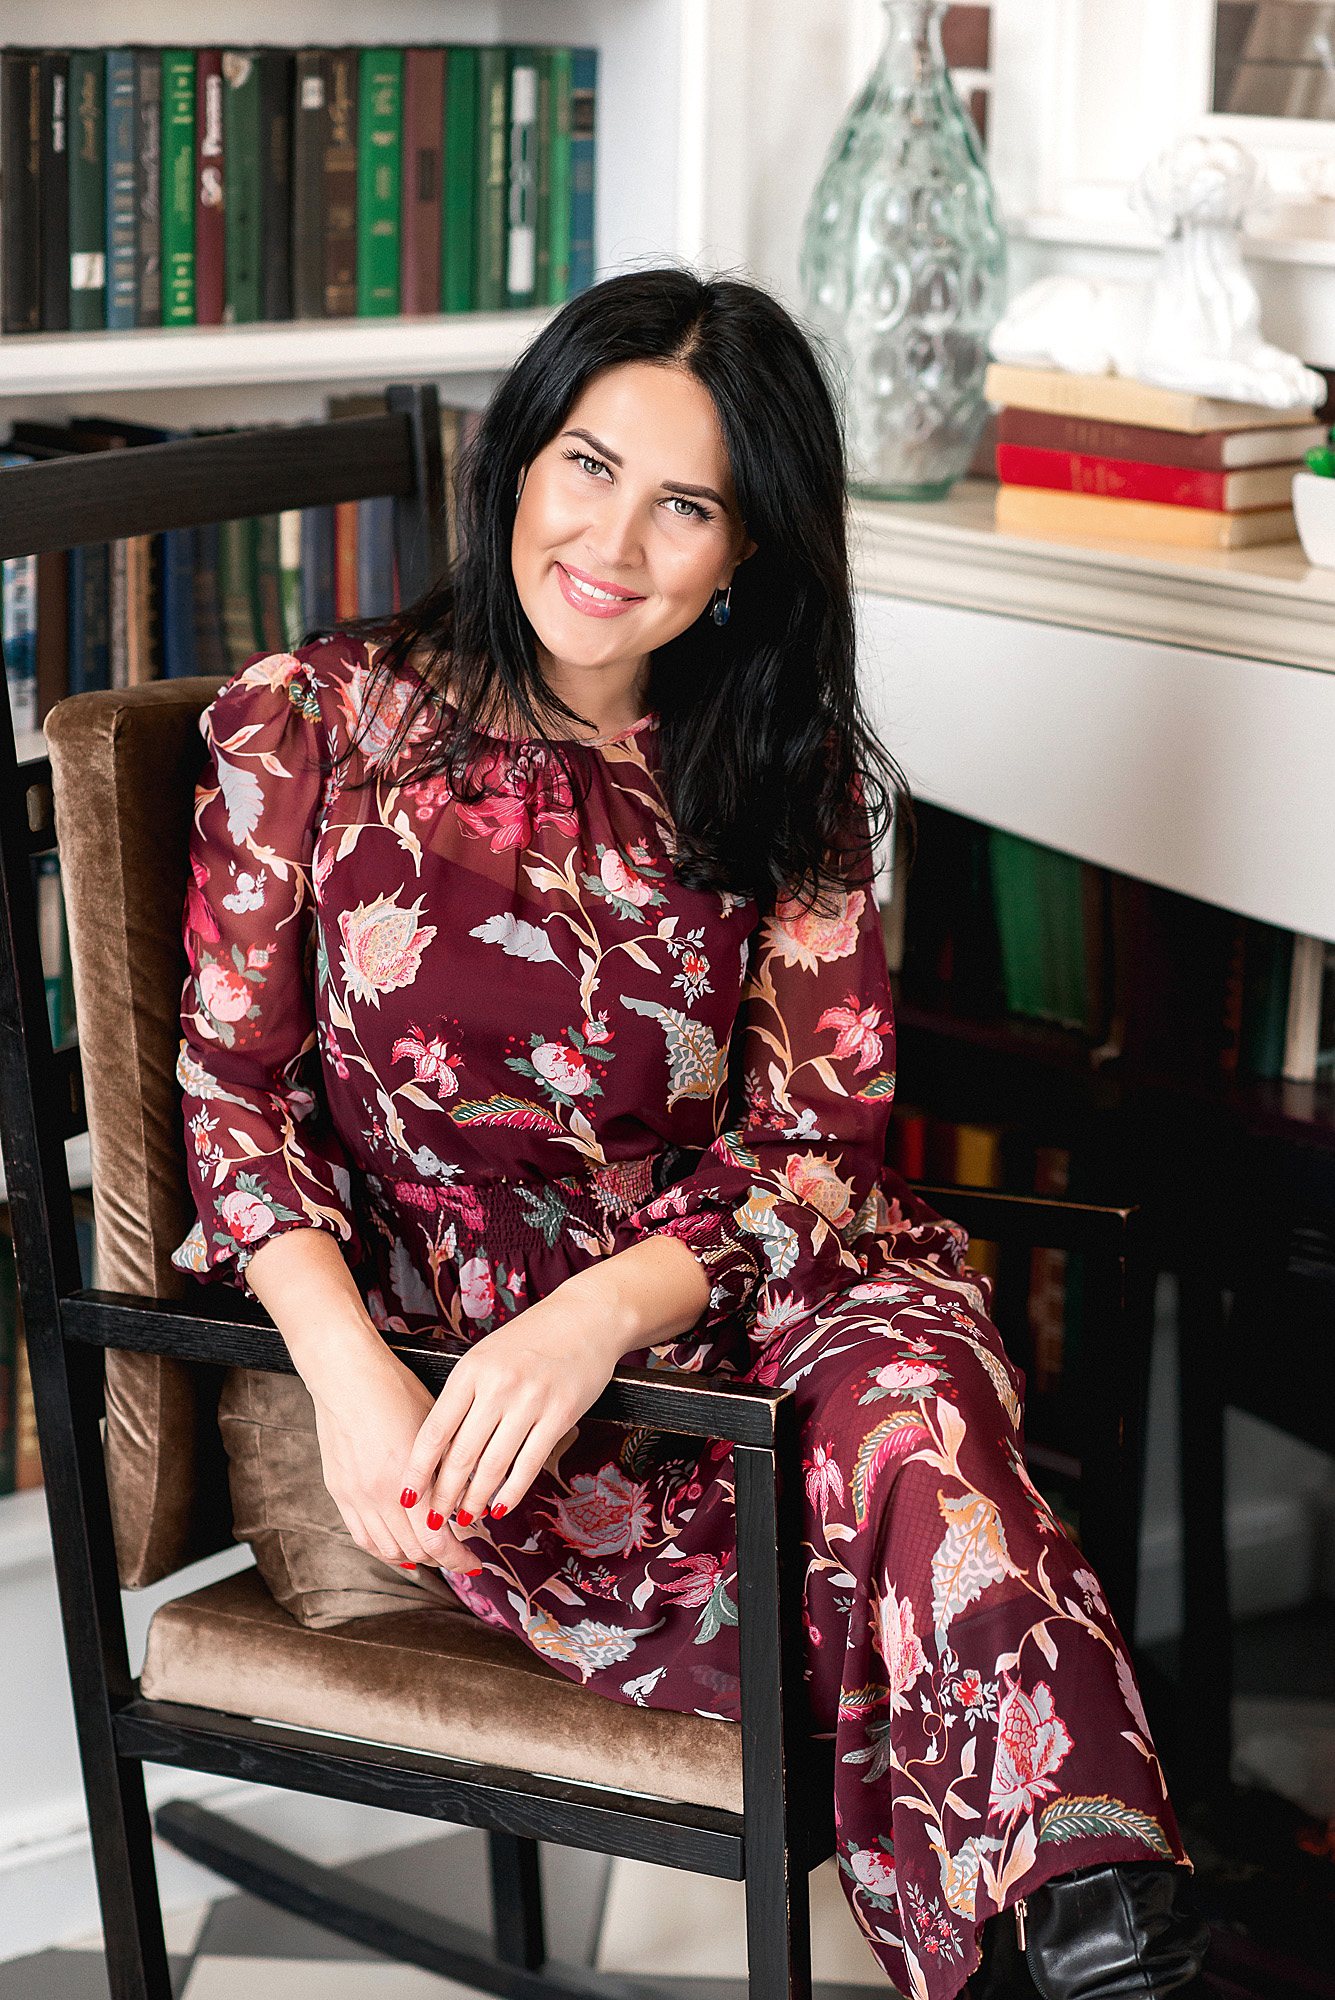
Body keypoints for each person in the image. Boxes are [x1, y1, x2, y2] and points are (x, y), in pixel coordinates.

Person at [174, 269, 1208, 2000]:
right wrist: (353, 1378)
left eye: (685, 505)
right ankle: (1083, 1908)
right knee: (919, 1517)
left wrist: (595, 1313)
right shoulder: (311, 722)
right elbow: (233, 1097)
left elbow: (816, 1144)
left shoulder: (779, 764)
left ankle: (1091, 1904)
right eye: (587, 467)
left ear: (744, 553)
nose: (613, 542)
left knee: (905, 1388)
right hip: (505, 1401)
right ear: (517, 461)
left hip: (753, 1298)